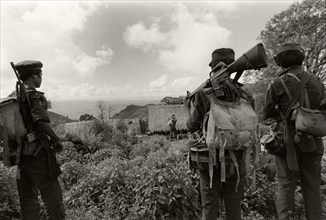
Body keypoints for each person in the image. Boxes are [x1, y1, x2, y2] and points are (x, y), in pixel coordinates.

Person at [184, 48, 249, 220]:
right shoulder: (244, 94)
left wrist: (188, 108)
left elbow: (192, 125)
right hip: (237, 158)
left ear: (213, 66)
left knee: (210, 206)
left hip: (210, 159)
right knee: (234, 208)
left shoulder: (203, 94)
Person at [263, 43, 324, 220]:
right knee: (312, 187)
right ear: (300, 58)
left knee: (285, 186)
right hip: (313, 140)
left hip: (287, 143)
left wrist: (281, 118)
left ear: (281, 62)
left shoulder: (277, 83)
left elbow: (266, 113)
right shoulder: (316, 80)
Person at [13, 60, 65, 220]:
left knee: (28, 201)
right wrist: (56, 139)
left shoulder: (12, 97)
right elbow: (40, 121)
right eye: (40, 75)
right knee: (53, 199)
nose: (41, 78)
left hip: (20, 156)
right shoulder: (34, 95)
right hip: (38, 154)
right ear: (34, 76)